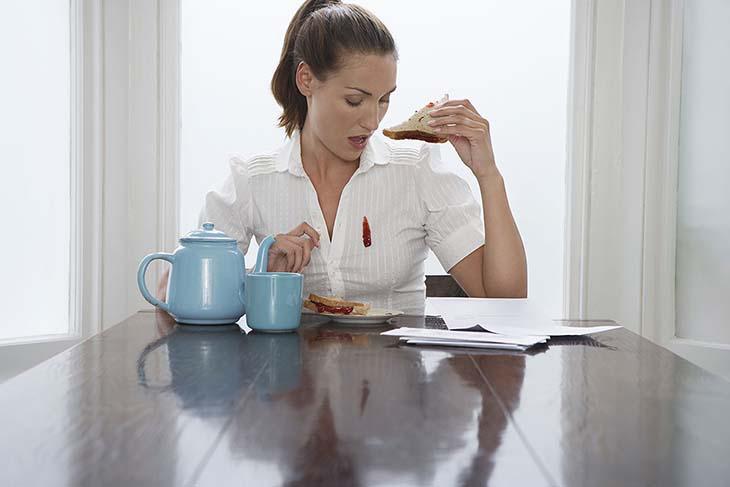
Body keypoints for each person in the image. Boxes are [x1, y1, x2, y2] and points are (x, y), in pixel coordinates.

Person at [158, 0, 527, 315]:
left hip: (398, 391)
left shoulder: (416, 170)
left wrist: (488, 173)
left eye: (384, 99)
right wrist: (258, 274)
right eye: (355, 100)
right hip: (291, 389)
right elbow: (168, 294)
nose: (372, 120)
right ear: (307, 80)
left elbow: (505, 300)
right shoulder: (252, 180)